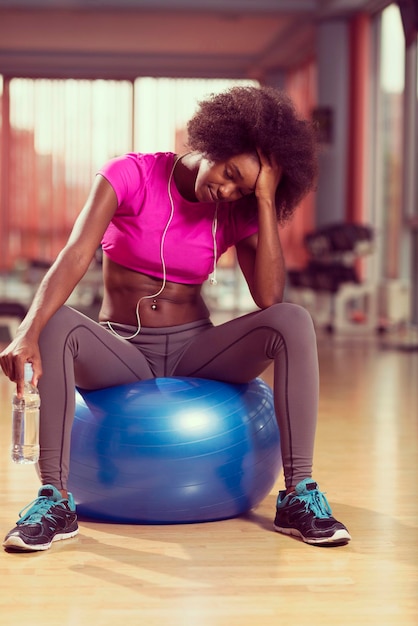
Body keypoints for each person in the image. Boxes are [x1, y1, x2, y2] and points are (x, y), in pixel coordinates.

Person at [0, 85, 351, 552]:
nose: (226, 191)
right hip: (123, 350)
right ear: (213, 143)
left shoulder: (235, 208)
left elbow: (269, 296)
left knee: (292, 319)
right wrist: (27, 331)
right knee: (59, 322)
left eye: (242, 188)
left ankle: (298, 494)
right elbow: (75, 253)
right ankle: (55, 499)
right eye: (229, 174)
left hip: (195, 350)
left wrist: (263, 201)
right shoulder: (130, 174)